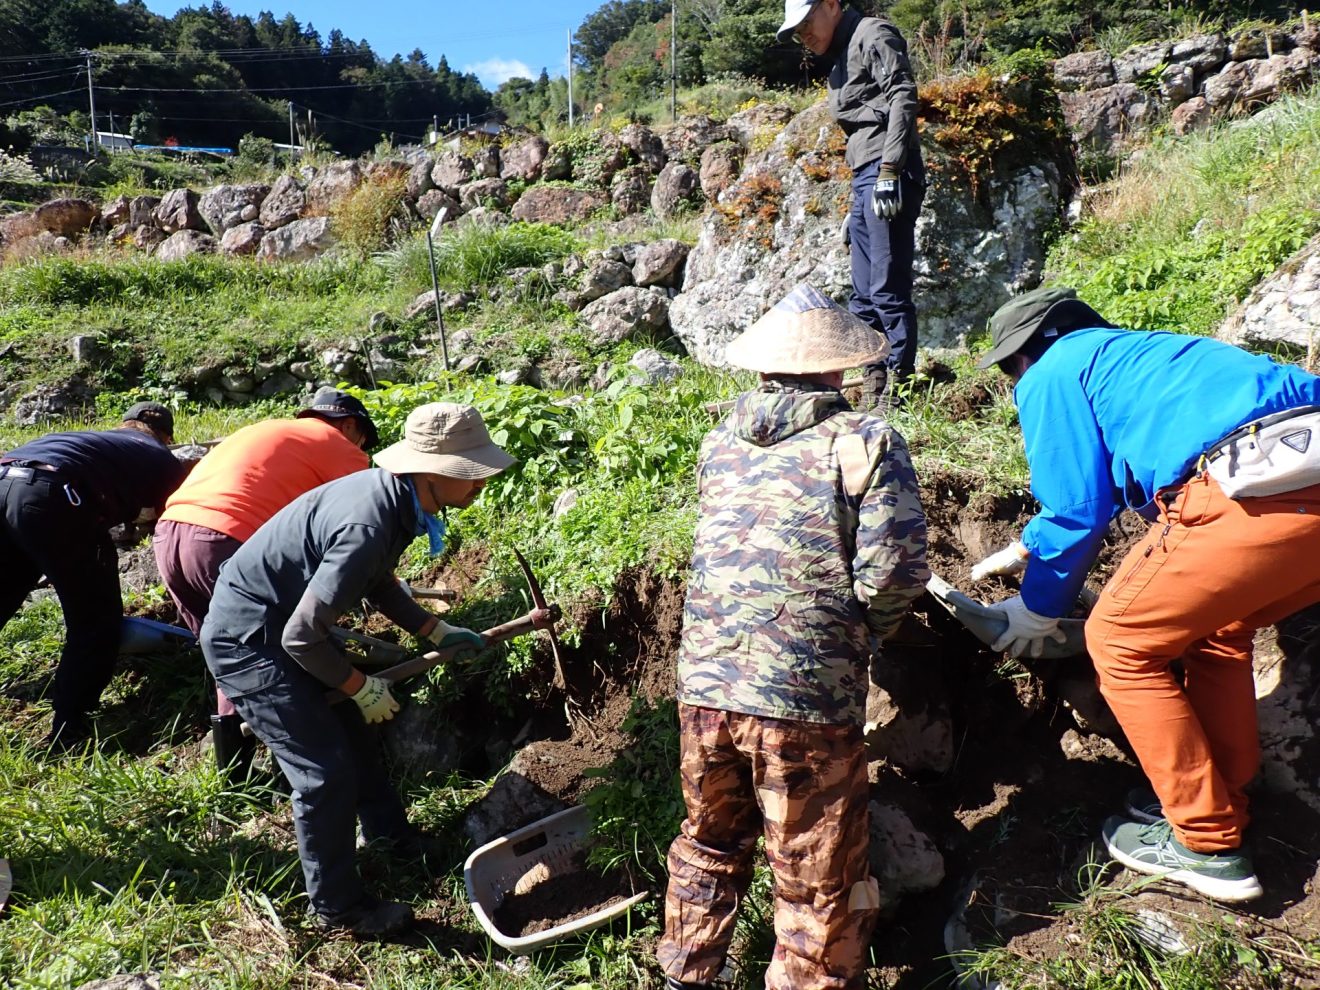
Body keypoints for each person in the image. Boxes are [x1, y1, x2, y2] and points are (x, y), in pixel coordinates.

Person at [972, 285, 1320, 902]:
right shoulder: (1159, 356)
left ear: (1025, 353)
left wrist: (1035, 607)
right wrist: (1030, 543)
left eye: (1006, 368)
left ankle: (1206, 844)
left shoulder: (1051, 370)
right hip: (1301, 488)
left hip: (1246, 493)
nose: (1011, 380)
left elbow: (1078, 510)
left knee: (1119, 639)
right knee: (1217, 632)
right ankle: (1224, 792)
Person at [658, 285, 930, 990]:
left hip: (705, 687)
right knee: (817, 873)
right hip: (806, 693)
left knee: (709, 842)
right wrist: (872, 635)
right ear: (839, 370)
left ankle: (685, 974)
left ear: (763, 368)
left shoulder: (719, 440)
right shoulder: (866, 439)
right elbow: (894, 571)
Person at [199, 402, 513, 938]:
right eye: (474, 471)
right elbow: (301, 636)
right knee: (322, 774)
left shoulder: (392, 499)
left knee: (356, 741)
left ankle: (394, 842)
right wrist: (359, 685)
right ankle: (340, 910)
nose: (482, 482)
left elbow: (378, 581)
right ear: (435, 471)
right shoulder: (370, 520)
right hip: (250, 643)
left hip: (287, 634)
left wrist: (433, 631)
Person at [153, 388, 379, 774]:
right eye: (363, 441)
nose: (362, 449)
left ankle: (235, 776)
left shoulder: (265, 430)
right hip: (227, 540)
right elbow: (367, 522)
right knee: (282, 652)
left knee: (228, 654)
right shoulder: (337, 445)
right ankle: (305, 768)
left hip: (170, 537)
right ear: (350, 425)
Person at [0, 402, 185, 747]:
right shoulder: (161, 458)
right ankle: (69, 731)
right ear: (167, 436)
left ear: (124, 424)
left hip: (6, 478)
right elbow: (177, 528)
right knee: (95, 621)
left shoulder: (92, 440)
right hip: (52, 493)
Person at [778, 0, 925, 410]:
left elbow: (902, 97)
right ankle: (875, 385)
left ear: (831, 5)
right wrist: (857, 203)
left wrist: (890, 171)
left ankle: (899, 391)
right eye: (797, 30)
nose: (804, 34)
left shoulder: (873, 34)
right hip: (866, 177)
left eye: (808, 22)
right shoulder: (842, 54)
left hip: (886, 169)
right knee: (862, 294)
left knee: (886, 288)